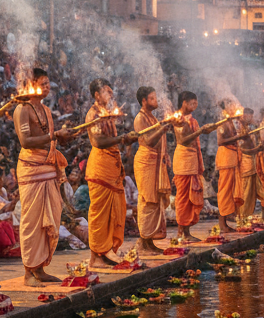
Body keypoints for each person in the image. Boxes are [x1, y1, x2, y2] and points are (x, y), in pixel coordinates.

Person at [14, 68, 72, 284]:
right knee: (32, 221)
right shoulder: (22, 109)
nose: (47, 88)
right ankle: (29, 271)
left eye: (49, 84)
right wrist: (55, 136)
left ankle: (40, 268)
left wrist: (61, 139)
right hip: (31, 168)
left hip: (48, 167)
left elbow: (49, 139)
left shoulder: (46, 110)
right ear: (32, 84)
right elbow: (26, 141)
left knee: (50, 218)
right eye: (44, 83)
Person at [83, 78, 137, 268]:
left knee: (115, 213)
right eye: (106, 91)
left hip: (112, 168)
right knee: (99, 215)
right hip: (100, 169)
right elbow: (98, 142)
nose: (111, 94)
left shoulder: (106, 114)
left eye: (111, 90)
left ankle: (107, 253)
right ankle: (96, 258)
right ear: (97, 95)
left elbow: (112, 139)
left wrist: (124, 138)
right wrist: (122, 138)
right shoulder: (93, 115)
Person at [132, 85, 174, 255]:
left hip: (156, 162)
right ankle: (143, 242)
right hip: (146, 162)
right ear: (144, 101)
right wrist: (163, 129)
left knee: (155, 201)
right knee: (147, 200)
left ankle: (150, 242)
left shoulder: (153, 118)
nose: (156, 101)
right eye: (152, 98)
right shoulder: (139, 118)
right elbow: (147, 140)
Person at [172, 91, 210, 242]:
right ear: (184, 102)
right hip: (183, 160)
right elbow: (183, 140)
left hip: (192, 159)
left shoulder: (192, 119)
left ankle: (186, 231)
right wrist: (201, 131)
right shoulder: (178, 118)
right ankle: (182, 232)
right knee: (183, 197)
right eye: (192, 103)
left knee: (191, 195)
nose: (195, 106)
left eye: (196, 103)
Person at [214, 102, 245, 230]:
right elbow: (220, 141)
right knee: (225, 191)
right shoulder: (223, 122)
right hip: (226, 158)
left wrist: (239, 136)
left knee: (231, 191)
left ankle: (226, 222)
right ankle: (222, 225)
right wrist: (238, 137)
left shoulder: (233, 122)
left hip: (232, 158)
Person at [237, 107, 259, 219]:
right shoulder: (239, 128)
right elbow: (241, 148)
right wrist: (256, 149)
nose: (251, 118)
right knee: (245, 189)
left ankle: (248, 214)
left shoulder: (250, 128)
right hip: (244, 161)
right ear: (244, 115)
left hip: (252, 161)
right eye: (249, 115)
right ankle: (242, 215)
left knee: (251, 191)